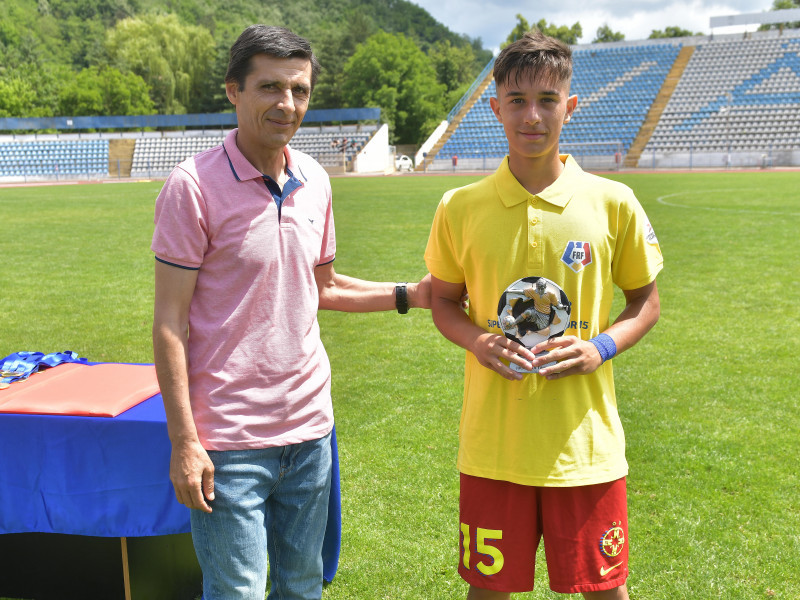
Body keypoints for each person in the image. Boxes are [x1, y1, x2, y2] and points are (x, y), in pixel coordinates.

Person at [151, 24, 430, 600]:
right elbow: (169, 324)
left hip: (309, 429)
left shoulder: (315, 181)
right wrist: (184, 440)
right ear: (234, 91)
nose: (287, 104)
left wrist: (411, 294)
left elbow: (322, 287)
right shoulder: (192, 186)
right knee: (239, 592)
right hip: (229, 440)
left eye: (299, 90)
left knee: (303, 587)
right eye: (270, 88)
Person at [424, 30, 663, 600]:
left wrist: (599, 347)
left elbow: (645, 303)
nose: (532, 116)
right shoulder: (459, 206)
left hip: (585, 450)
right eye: (517, 101)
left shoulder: (613, 201)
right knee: (488, 591)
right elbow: (441, 300)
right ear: (495, 108)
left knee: (605, 591)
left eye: (548, 100)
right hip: (493, 448)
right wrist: (477, 343)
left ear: (570, 107)